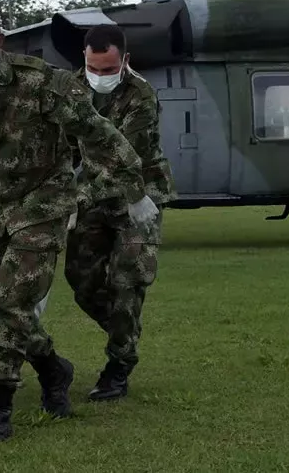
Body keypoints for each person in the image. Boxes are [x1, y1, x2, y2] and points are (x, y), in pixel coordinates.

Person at [0, 0, 156, 444]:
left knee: (11, 296)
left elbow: (99, 135)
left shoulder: (43, 83)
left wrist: (130, 190)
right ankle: (53, 369)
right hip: (0, 209)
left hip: (48, 201)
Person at [65, 25, 175, 401]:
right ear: (84, 58)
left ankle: (119, 364)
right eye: (94, 68)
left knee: (129, 281)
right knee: (81, 282)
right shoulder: (70, 91)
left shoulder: (142, 95)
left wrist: (76, 197)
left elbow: (121, 156)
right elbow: (65, 149)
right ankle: (124, 331)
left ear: (125, 61)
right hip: (94, 196)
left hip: (139, 197)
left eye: (109, 69)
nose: (101, 76)